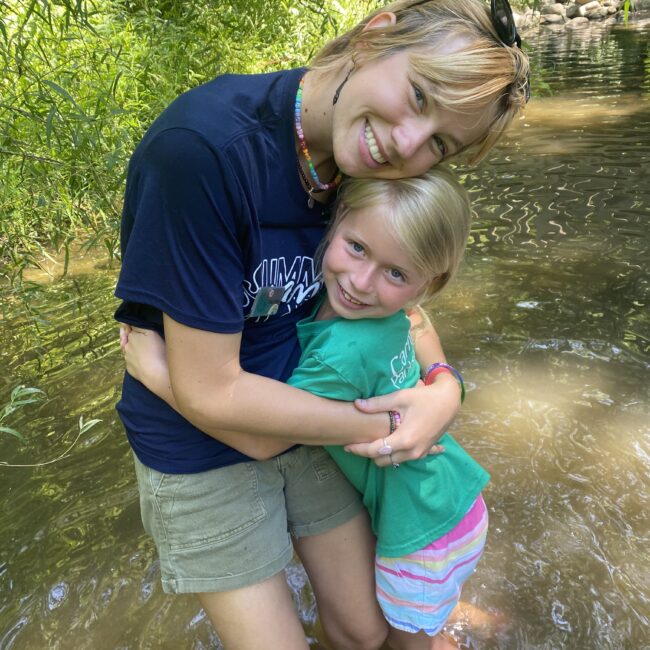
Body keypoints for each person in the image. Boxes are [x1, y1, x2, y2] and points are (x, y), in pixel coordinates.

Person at [115, 0, 529, 647]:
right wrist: (395, 424)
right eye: (418, 95)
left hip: (311, 414)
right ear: (375, 34)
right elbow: (214, 396)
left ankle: (432, 612)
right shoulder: (202, 155)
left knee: (363, 633)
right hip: (201, 440)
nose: (408, 146)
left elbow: (409, 307)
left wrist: (443, 389)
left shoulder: (364, 168)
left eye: (441, 142)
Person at [125, 167, 488, 650]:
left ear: (425, 282)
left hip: (419, 529)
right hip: (453, 501)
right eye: (357, 248)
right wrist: (442, 383)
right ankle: (440, 614)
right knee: (395, 625)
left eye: (395, 272)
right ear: (333, 222)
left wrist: (155, 374)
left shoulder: (338, 354)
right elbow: (416, 318)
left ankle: (434, 620)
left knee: (406, 640)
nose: (360, 282)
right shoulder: (380, 309)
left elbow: (263, 437)